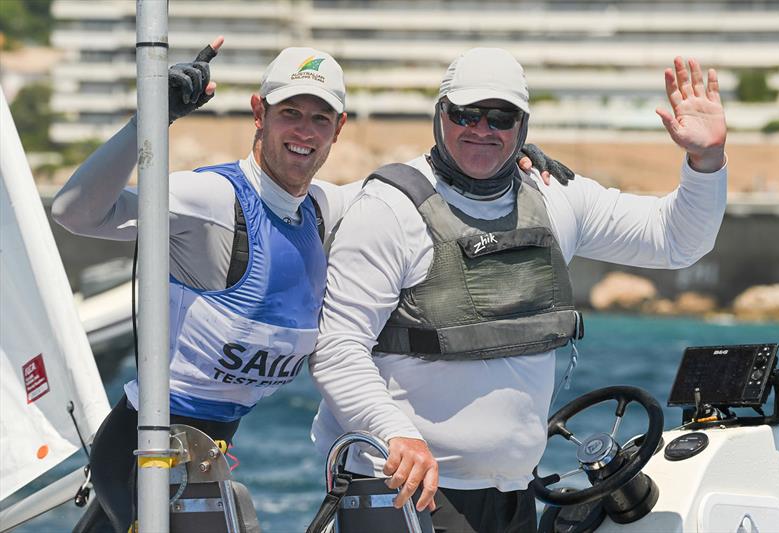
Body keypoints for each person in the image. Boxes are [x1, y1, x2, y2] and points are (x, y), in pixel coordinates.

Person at [53, 38, 568, 532]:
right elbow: (75, 211)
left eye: (320, 118)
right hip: (141, 452)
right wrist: (148, 119)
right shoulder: (214, 202)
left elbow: (422, 182)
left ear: (338, 128)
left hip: (205, 461)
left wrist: (501, 149)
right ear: (259, 113)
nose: (305, 131)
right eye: (289, 113)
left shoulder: (324, 211)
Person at [308, 48, 727, 532]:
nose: (481, 129)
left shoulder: (555, 196)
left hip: (514, 496)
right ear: (439, 115)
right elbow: (337, 348)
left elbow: (676, 240)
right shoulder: (387, 210)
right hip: (402, 491)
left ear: (522, 127)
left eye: (500, 118)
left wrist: (705, 158)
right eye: (464, 114)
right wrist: (397, 434)